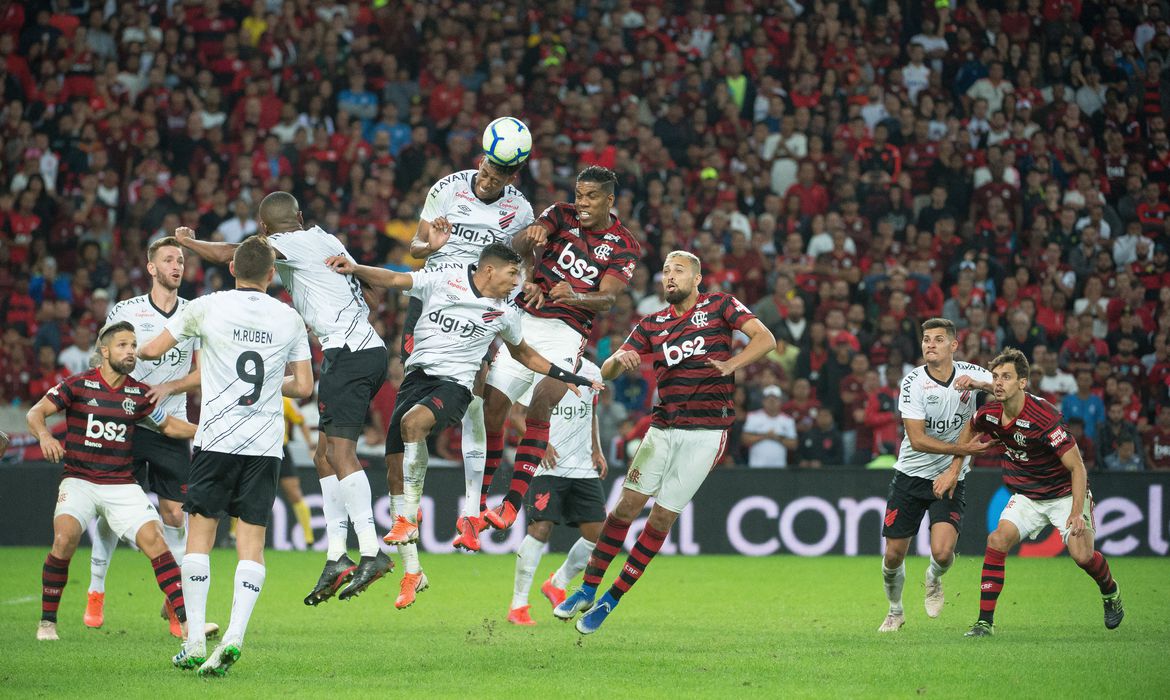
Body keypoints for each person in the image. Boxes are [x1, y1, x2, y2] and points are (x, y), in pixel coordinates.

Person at [326, 243, 603, 610]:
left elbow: (525, 355)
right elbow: (394, 279)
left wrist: (569, 375)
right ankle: (413, 572)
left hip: (454, 386)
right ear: (489, 270)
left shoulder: (506, 314)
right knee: (395, 472)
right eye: (511, 275)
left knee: (413, 425)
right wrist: (356, 267)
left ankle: (411, 519)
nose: (515, 283)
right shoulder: (445, 280)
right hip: (416, 380)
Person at [174, 192, 390, 608]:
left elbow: (234, 255)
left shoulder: (284, 244)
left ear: (264, 228)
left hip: (348, 351)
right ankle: (336, 556)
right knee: (324, 456)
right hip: (363, 347)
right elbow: (371, 294)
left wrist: (188, 242)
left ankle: (370, 550)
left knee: (340, 454)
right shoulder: (326, 238)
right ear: (300, 216)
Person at [554, 251, 775, 634]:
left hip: (706, 433)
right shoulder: (652, 323)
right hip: (663, 428)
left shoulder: (720, 305)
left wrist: (731, 364)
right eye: (666, 271)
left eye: (679, 270)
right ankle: (587, 589)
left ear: (697, 278)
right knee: (624, 508)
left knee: (659, 518)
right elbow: (608, 368)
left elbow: (765, 338)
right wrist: (618, 362)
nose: (670, 276)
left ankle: (611, 599)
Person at [141, 235, 315, 675]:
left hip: (216, 440)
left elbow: (152, 350)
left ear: (233, 268)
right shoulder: (290, 318)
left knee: (199, 537)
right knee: (251, 543)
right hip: (265, 446)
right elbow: (304, 386)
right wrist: (269, 382)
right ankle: (234, 636)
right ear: (272, 274)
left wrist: (137, 349)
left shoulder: (207, 306)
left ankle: (195, 641)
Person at [478, 166, 641, 540]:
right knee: (493, 408)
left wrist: (576, 296)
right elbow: (517, 250)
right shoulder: (560, 214)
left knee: (542, 401)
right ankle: (481, 501)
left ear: (609, 200)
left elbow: (609, 298)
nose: (582, 203)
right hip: (526, 321)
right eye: (580, 195)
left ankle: (511, 505)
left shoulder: (624, 244)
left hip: (568, 332)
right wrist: (529, 241)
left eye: (591, 197)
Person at [25, 320, 197, 641]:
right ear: (104, 351)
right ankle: (47, 622)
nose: (130, 351)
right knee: (64, 539)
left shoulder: (138, 394)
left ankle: (187, 624)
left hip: (121, 484)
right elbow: (35, 413)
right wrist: (45, 437)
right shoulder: (77, 385)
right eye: (122, 345)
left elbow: (169, 427)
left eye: (133, 345)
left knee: (156, 540)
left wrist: (206, 432)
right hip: (79, 480)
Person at [402, 150, 533, 551]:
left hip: (478, 308)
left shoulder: (520, 210)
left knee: (475, 400)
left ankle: (471, 512)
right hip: (433, 300)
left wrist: (519, 294)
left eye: (500, 177)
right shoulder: (447, 188)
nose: (490, 180)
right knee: (410, 400)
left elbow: (518, 267)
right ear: (482, 161)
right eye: (488, 171)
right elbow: (416, 246)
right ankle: (408, 507)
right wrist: (429, 247)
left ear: (514, 176)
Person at [948, 348, 1124, 637]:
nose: (999, 383)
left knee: (1082, 556)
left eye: (1006, 377)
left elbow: (1077, 467)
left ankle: (1110, 590)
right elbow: (970, 427)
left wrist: (1076, 512)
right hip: (1027, 495)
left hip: (1064, 494)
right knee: (997, 540)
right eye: (995, 377)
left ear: (1023, 382)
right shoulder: (990, 413)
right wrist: (956, 466)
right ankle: (984, 623)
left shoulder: (1044, 418)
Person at [86, 236, 202, 636]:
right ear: (152, 268)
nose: (176, 266)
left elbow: (203, 371)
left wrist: (171, 387)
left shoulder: (194, 314)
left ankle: (175, 604)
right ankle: (96, 589)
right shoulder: (127, 311)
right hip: (128, 424)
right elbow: (104, 358)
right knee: (109, 509)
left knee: (175, 514)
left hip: (171, 425)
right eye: (168, 259)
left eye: (180, 260)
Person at [878, 318, 993, 633]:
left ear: (953, 345)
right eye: (926, 339)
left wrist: (981, 385)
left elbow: (1008, 388)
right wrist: (963, 449)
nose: (930, 344)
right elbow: (917, 440)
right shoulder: (912, 382)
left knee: (942, 554)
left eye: (938, 339)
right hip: (911, 475)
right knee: (893, 556)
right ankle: (895, 611)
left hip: (951, 476)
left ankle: (933, 577)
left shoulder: (972, 373)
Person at [507, 358, 607, 626]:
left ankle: (557, 583)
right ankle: (518, 605)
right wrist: (540, 443)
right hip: (548, 465)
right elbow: (516, 415)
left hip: (583, 466)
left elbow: (591, 413)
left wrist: (597, 449)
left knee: (598, 536)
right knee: (540, 528)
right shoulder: (540, 367)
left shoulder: (592, 371)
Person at [741, 385, 798, 467]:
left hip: (779, 467)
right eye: (769, 399)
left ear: (780, 401)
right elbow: (744, 439)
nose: (772, 402)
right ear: (763, 401)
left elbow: (793, 444)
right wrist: (765, 436)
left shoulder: (788, 420)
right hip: (756, 466)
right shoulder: (753, 417)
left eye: (775, 399)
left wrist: (777, 437)